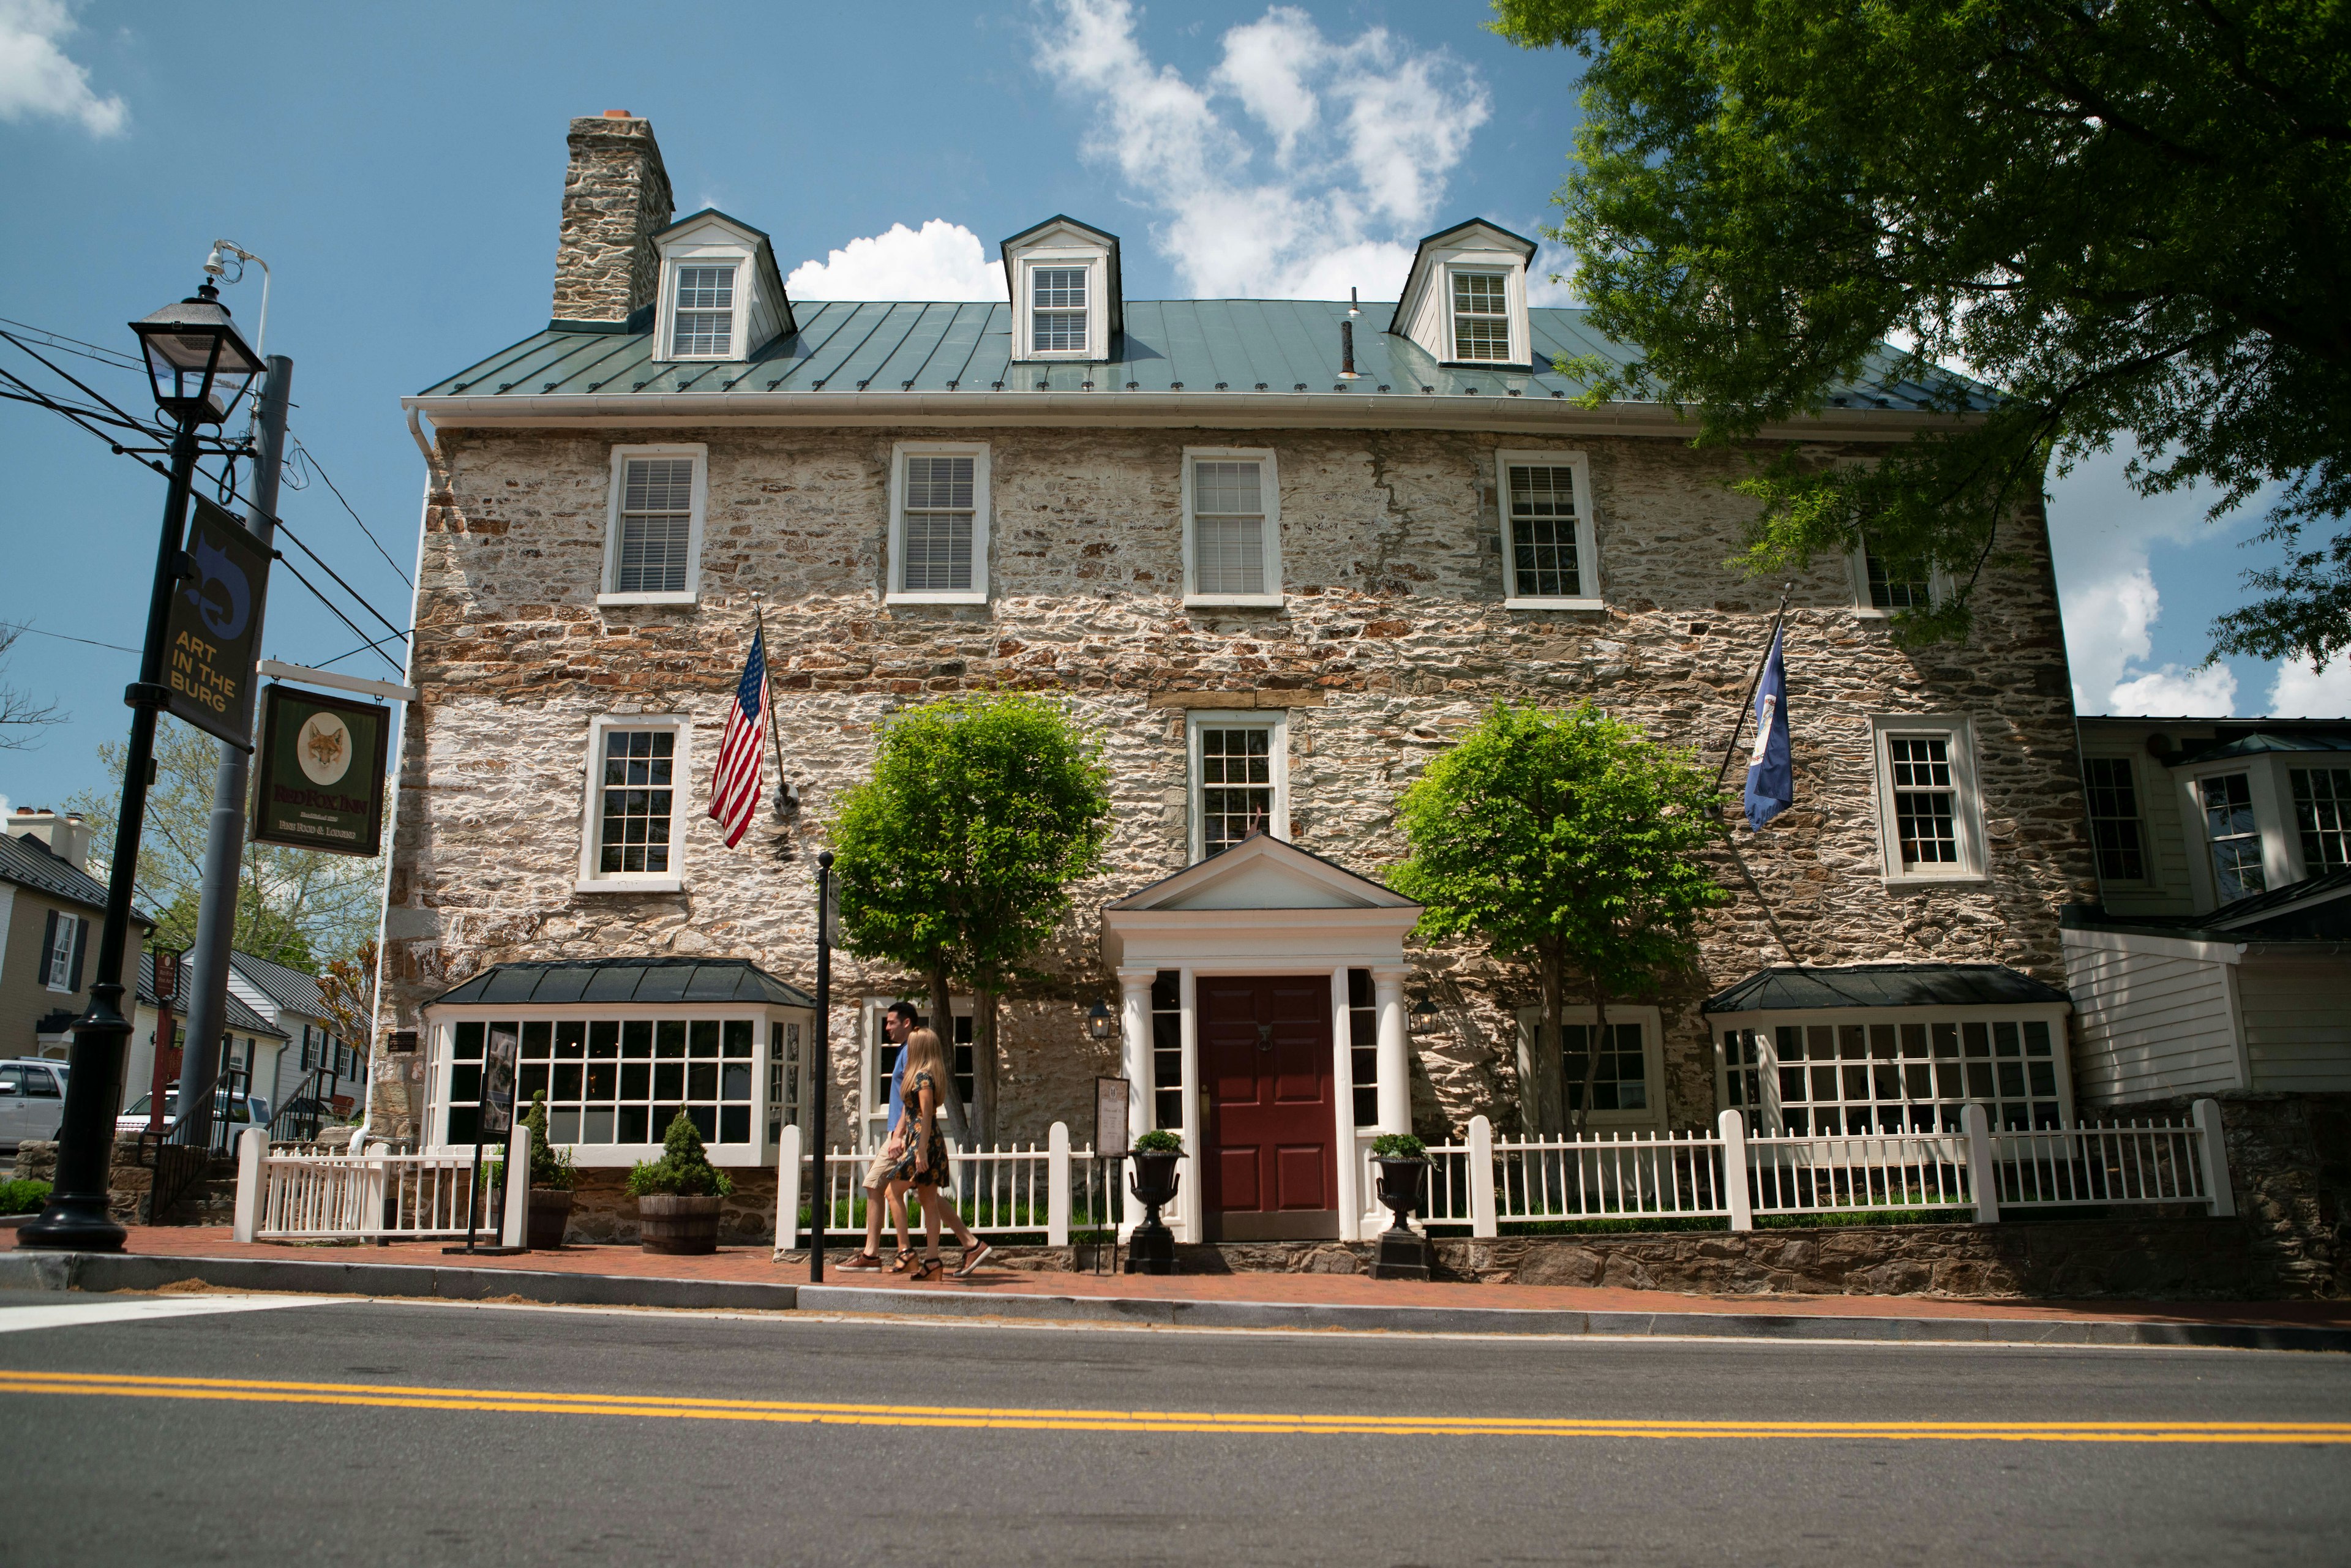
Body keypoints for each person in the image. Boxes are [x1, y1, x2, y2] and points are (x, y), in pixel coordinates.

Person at [885, 1026, 992, 1279]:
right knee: (928, 1201)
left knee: (892, 1191)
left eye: (912, 1045)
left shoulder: (924, 1078)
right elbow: (911, 1113)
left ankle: (906, 1252)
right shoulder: (921, 1075)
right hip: (924, 1142)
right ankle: (932, 1262)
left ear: (920, 1048)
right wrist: (901, 1136)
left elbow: (926, 1116)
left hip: (924, 1144)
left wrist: (920, 1151)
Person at [836, 1001, 919, 1271]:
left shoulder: (911, 1052)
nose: (887, 1027)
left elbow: (912, 1097)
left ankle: (886, 1254)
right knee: (885, 1187)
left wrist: (899, 1135)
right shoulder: (903, 1051)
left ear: (906, 1023)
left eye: (891, 1022)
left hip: (901, 1134)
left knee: (893, 1187)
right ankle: (873, 1254)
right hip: (898, 1132)